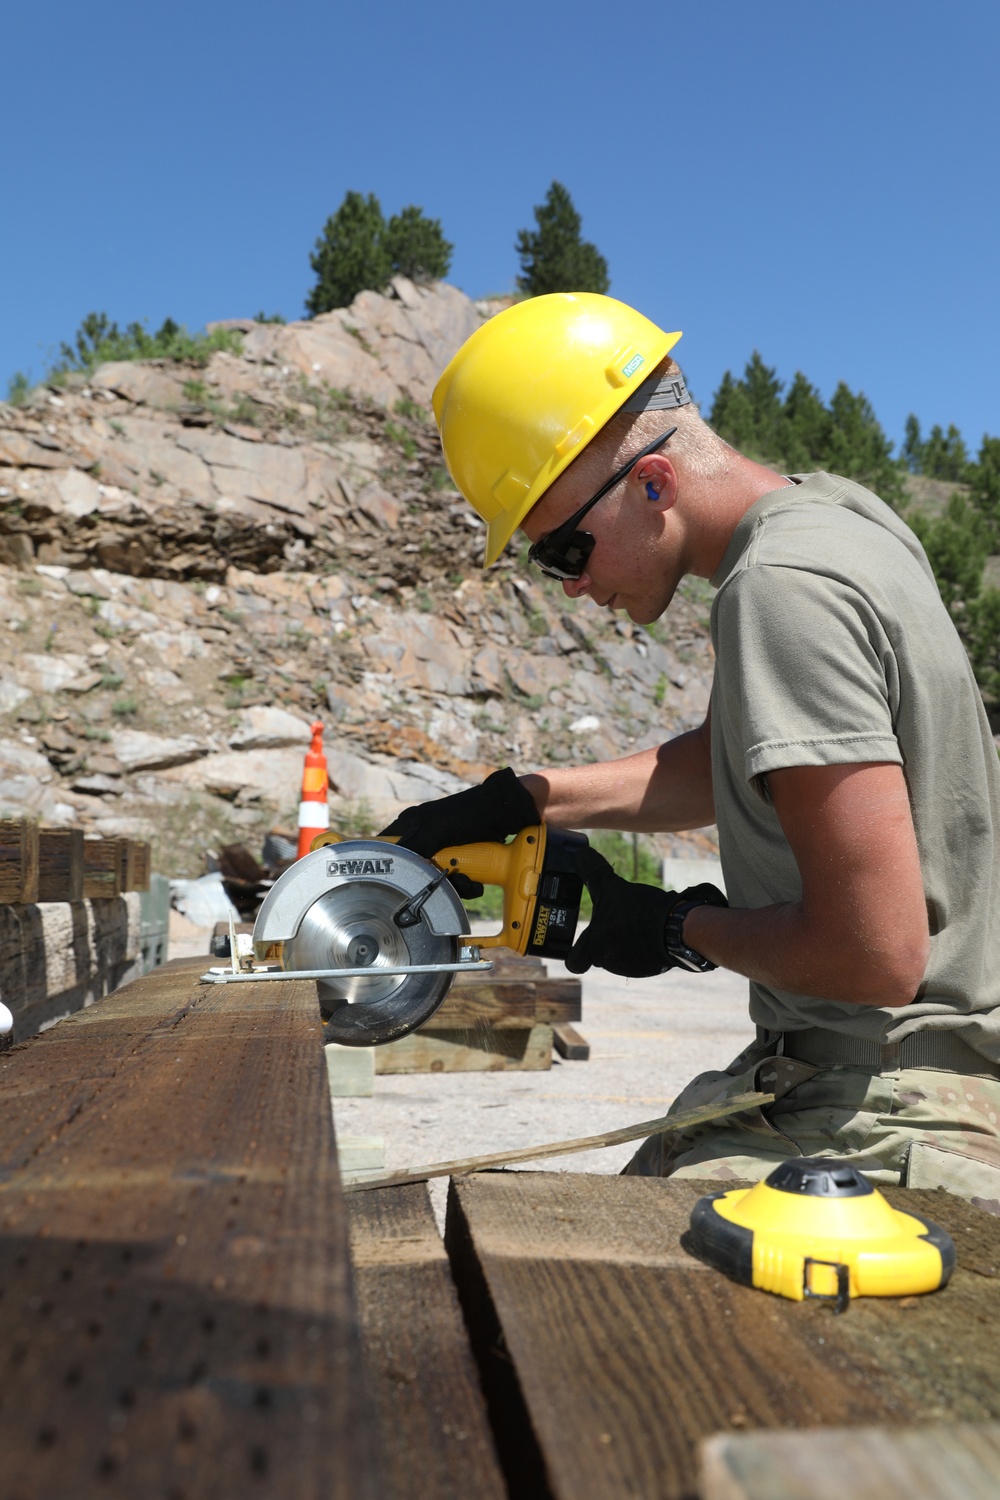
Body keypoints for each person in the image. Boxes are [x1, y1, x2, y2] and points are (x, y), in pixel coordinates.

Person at [383, 293, 1000, 1205]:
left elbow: (876, 956)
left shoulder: (780, 591)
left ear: (655, 483)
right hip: (868, 1077)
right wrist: (526, 798)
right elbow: (739, 757)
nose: (572, 584)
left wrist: (675, 926)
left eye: (563, 550)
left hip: (881, 1108)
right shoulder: (841, 521)